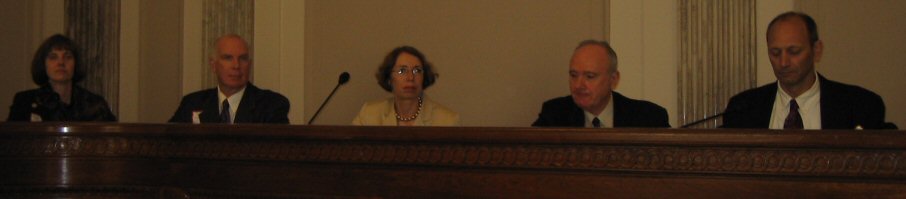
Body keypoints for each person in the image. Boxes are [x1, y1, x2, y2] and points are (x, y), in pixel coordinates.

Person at [722, 12, 895, 129]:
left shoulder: (860, 106)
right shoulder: (743, 109)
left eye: (794, 51)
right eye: (775, 53)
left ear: (817, 50)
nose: (783, 62)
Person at [533, 40, 669, 128]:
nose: (578, 85)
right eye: (573, 75)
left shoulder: (648, 118)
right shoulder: (554, 115)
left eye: (590, 76)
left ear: (613, 79)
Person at [169, 34, 290, 124]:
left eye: (242, 58)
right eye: (228, 58)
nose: (236, 66)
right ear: (213, 65)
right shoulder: (192, 103)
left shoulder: (271, 105)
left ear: (250, 64)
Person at [7, 34, 117, 122]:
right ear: (43, 64)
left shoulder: (95, 105)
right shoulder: (25, 102)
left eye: (68, 57)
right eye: (53, 57)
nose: (61, 63)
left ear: (76, 64)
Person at [352, 46, 459, 126]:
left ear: (424, 77)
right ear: (389, 78)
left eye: (417, 71)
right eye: (402, 71)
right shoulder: (368, 115)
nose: (410, 77)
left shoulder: (447, 120)